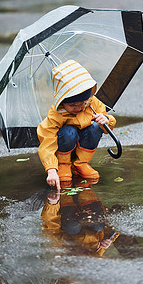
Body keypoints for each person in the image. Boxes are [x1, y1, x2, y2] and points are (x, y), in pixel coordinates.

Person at [37, 60, 116, 191]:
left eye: (82, 103)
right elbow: (47, 141)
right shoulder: (56, 113)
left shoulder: (92, 103)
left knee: (96, 128)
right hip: (64, 147)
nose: (78, 108)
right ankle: (64, 165)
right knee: (69, 132)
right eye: (72, 105)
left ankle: (81, 163)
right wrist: (51, 170)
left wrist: (106, 120)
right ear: (62, 101)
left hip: (83, 144)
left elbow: (106, 128)